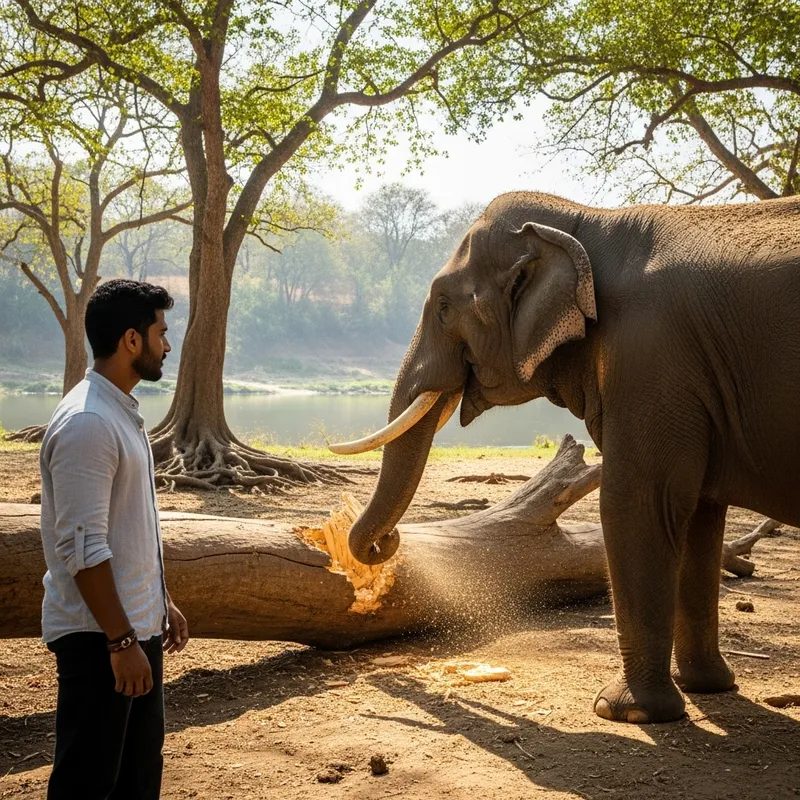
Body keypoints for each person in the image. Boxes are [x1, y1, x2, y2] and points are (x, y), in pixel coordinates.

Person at [40, 279, 189, 800]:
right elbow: (83, 551)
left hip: (133, 628)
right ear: (132, 340)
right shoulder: (88, 423)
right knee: (88, 783)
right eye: (161, 333)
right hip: (98, 640)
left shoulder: (118, 411)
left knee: (138, 777)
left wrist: (160, 601)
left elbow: (129, 529)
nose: (167, 345)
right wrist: (121, 641)